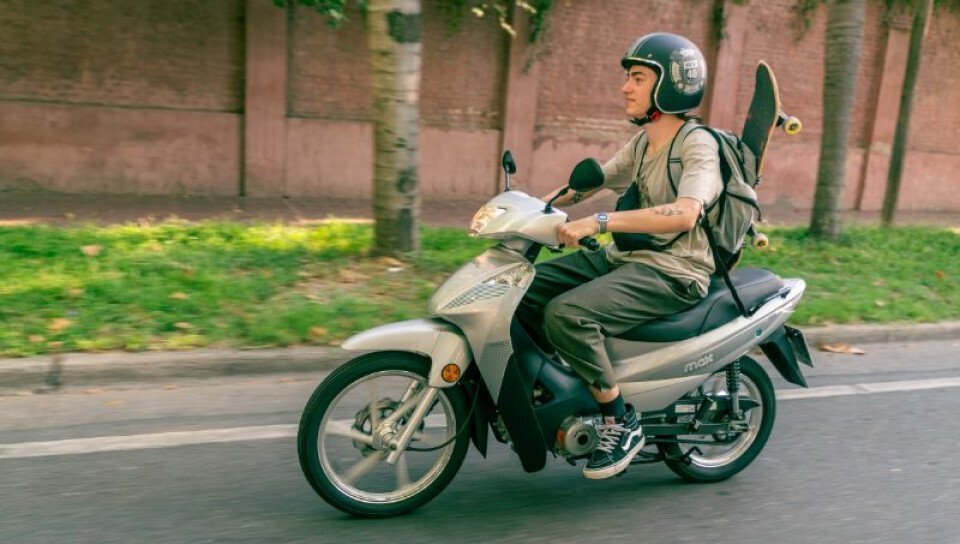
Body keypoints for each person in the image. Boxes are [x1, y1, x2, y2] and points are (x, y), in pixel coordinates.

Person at [515, 32, 723, 480]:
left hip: (674, 271)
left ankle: (620, 420)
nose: (625, 87)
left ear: (669, 87)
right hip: (629, 258)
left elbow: (686, 214)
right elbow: (592, 181)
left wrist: (601, 222)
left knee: (565, 315)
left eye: (638, 77)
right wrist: (528, 211)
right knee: (520, 288)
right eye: (628, 77)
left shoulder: (697, 146)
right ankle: (555, 389)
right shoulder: (644, 143)